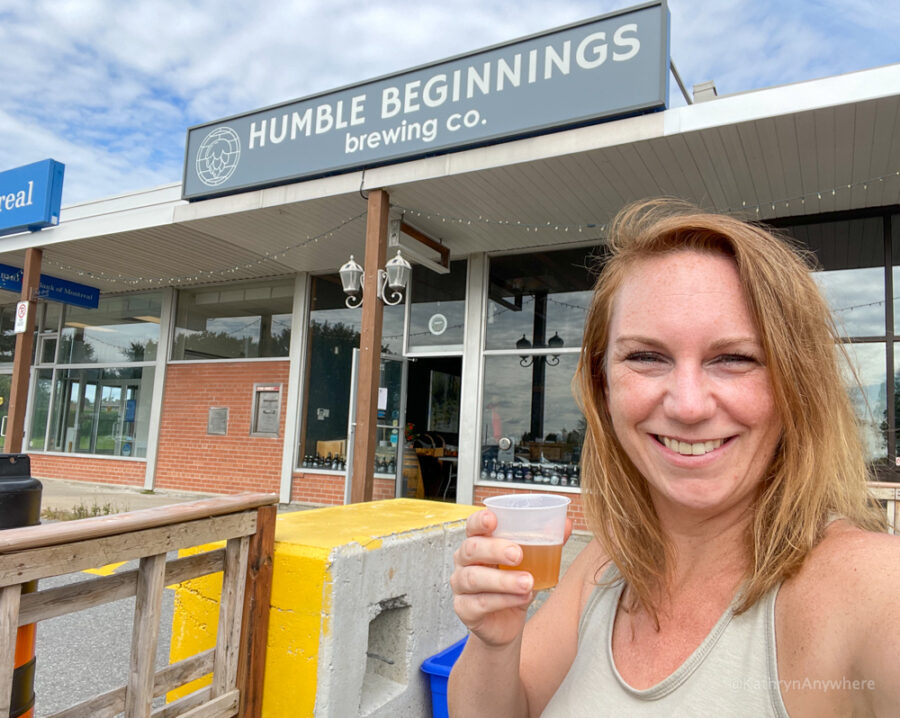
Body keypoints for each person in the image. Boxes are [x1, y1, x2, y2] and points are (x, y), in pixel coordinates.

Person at [449, 199, 900, 716]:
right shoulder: (608, 563)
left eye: (735, 358)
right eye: (645, 357)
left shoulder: (872, 588)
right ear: (604, 387)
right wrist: (493, 644)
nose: (687, 405)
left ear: (797, 385)